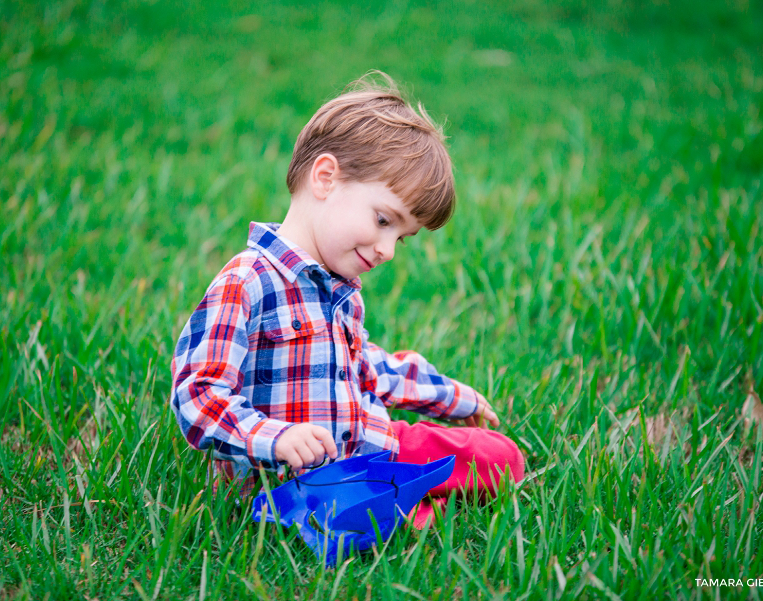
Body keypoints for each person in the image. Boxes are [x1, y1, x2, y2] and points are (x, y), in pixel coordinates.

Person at [170, 71, 525, 527]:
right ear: (325, 177)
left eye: (404, 237)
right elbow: (196, 394)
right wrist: (274, 438)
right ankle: (396, 505)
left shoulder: (342, 291)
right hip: (286, 482)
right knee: (354, 513)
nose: (388, 249)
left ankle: (396, 495)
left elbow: (369, 369)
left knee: (502, 458)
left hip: (366, 446)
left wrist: (452, 397)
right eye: (383, 220)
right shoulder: (247, 281)